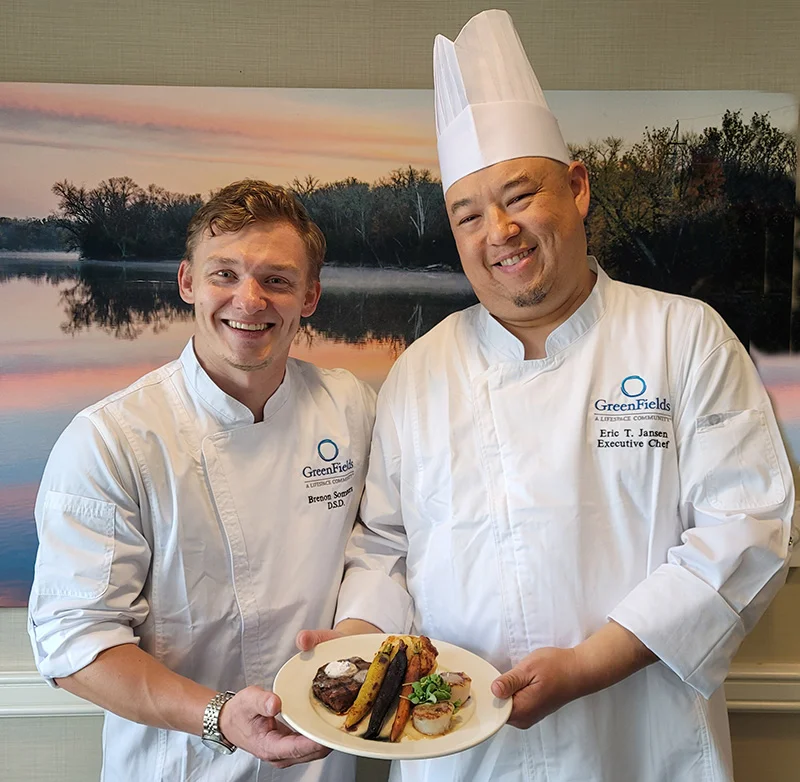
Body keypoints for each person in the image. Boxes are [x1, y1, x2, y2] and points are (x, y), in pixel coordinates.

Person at [323, 10, 796, 782]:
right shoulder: (420, 371)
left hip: (641, 744)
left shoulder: (685, 338)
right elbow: (384, 546)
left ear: (576, 189)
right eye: (467, 214)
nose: (497, 232)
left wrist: (586, 666)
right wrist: (353, 647)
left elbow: (747, 533)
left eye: (518, 196)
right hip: (460, 751)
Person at [28, 180, 380, 781]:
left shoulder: (349, 407)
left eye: (276, 279)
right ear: (188, 282)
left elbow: (378, 547)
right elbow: (74, 644)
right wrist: (217, 714)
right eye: (225, 274)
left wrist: (355, 639)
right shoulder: (112, 439)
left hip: (323, 766)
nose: (249, 300)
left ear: (310, 295)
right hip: (179, 765)